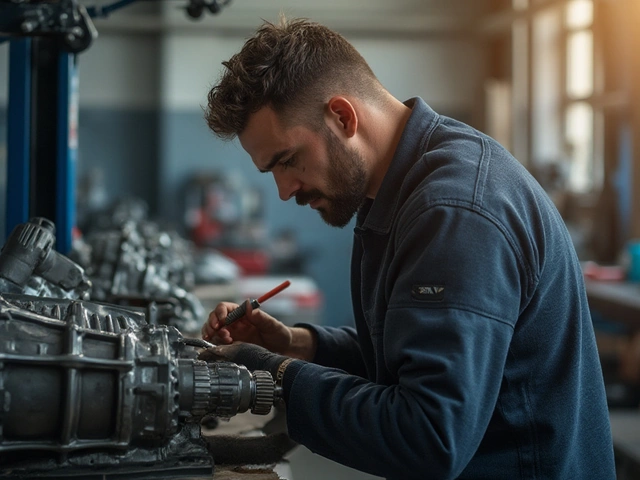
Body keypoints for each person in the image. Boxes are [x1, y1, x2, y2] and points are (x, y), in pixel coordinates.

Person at [199, 17, 616, 480]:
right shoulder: (407, 188)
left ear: (342, 116)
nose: (284, 190)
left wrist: (273, 373)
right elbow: (414, 349)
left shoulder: (454, 212)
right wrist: (298, 345)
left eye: (289, 160)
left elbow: (429, 438)